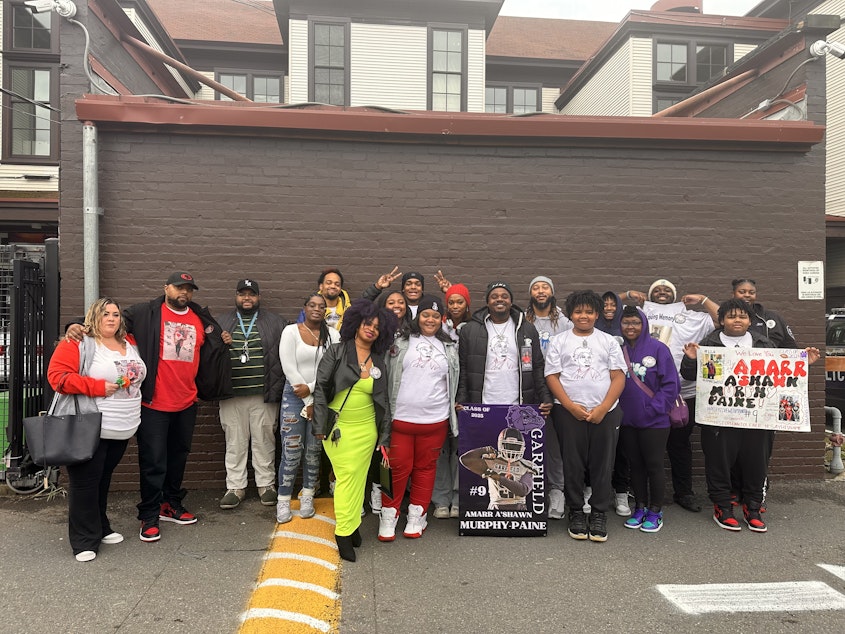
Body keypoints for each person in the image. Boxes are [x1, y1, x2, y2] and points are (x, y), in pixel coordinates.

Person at [680, 299, 820, 532]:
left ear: (749, 320)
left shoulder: (764, 343)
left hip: (758, 419)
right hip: (719, 419)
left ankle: (753, 508)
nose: (737, 320)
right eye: (732, 316)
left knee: (757, 464)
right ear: (722, 320)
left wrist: (804, 364)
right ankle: (723, 507)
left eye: (742, 316)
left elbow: (782, 378)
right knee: (719, 464)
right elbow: (689, 375)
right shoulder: (709, 343)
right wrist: (691, 359)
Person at [124, 272, 230, 542]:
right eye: (179, 287)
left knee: (178, 456)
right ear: (166, 288)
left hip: (186, 401)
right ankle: (148, 514)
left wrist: (221, 341)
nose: (184, 292)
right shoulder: (146, 312)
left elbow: (210, 348)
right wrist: (76, 326)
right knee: (153, 461)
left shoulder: (199, 317)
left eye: (189, 289)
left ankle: (169, 504)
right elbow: (108, 321)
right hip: (154, 402)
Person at [47, 298, 147, 562]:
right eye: (105, 314)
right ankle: (83, 541)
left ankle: (101, 527)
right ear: (93, 316)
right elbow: (57, 377)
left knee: (102, 480)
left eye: (115, 314)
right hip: (89, 425)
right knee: (84, 483)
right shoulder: (77, 342)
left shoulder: (129, 343)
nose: (111, 318)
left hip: (123, 426)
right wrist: (97, 387)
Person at [312, 298, 397, 562]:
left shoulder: (379, 361)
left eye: (376, 326)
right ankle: (343, 532)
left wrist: (384, 437)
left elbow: (383, 403)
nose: (371, 329)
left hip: (367, 431)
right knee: (348, 480)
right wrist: (318, 428)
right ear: (356, 324)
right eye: (367, 323)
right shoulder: (337, 351)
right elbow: (320, 389)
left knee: (358, 480)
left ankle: (354, 528)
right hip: (339, 430)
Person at [625, 278, 717, 513]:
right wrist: (627, 295)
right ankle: (640, 497)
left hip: (681, 394)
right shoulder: (639, 315)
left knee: (680, 447)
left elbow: (720, 319)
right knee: (641, 454)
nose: (662, 292)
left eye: (667, 289)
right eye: (657, 289)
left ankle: (683, 492)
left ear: (675, 296)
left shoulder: (689, 316)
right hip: (642, 399)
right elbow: (607, 307)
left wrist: (703, 300)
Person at [544, 290, 626, 543]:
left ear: (597, 314)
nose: (584, 316)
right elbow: (552, 376)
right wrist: (569, 406)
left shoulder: (608, 341)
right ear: (571, 314)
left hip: (606, 412)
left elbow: (619, 376)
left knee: (603, 464)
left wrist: (603, 408)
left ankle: (599, 512)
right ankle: (576, 511)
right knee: (573, 464)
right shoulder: (559, 341)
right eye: (578, 311)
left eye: (589, 312)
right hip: (568, 413)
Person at [379, 295, 458, 540]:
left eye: (435, 316)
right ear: (418, 317)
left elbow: (454, 381)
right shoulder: (401, 342)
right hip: (400, 419)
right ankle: (389, 514)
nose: (430, 320)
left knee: (425, 468)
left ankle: (417, 514)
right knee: (395, 468)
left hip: (435, 420)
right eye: (426, 315)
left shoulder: (449, 346)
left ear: (441, 319)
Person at [217, 279, 287, 509]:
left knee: (264, 439)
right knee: (234, 441)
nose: (247, 298)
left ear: (259, 297)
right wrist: (219, 343)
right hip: (231, 394)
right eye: (242, 294)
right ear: (236, 296)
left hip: (263, 393)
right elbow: (208, 353)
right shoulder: (221, 322)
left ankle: (266, 485)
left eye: (252, 294)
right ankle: (235, 487)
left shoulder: (275, 322)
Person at [277, 294, 339, 523]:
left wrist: (312, 392)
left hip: (321, 396)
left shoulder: (333, 335)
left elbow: (334, 369)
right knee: (292, 450)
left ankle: (308, 496)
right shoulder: (291, 331)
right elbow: (288, 367)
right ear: (304, 308)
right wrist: (306, 400)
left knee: (313, 451)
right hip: (294, 396)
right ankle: (283, 500)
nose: (317, 309)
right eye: (312, 305)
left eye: (321, 306)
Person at [617, 306, 680, 533]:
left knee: (653, 465)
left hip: (655, 421)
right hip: (627, 421)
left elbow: (671, 385)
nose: (630, 327)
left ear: (643, 324)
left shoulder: (658, 349)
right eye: (626, 323)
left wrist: (654, 409)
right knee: (636, 466)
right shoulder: (618, 349)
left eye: (635, 322)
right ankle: (640, 507)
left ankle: (656, 510)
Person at [456, 281, 552, 413]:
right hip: (483, 405)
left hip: (518, 406)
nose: (500, 299)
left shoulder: (526, 330)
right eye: (494, 296)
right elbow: (463, 369)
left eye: (505, 296)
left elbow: (537, 366)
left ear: (511, 302)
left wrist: (545, 397)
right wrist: (461, 399)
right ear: (487, 302)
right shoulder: (470, 330)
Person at [524, 275, 573, 521]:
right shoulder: (522, 321)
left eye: (545, 287)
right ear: (531, 293)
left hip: (558, 390)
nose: (541, 291)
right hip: (529, 389)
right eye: (536, 287)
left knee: (554, 444)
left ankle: (556, 490)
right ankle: (530, 490)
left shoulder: (564, 322)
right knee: (528, 441)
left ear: (552, 293)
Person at [432, 282, 471, 519]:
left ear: (467, 304)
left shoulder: (475, 327)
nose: (455, 306)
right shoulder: (438, 327)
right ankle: (440, 499)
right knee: (439, 450)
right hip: (438, 395)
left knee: (460, 449)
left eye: (460, 301)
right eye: (451, 302)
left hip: (461, 396)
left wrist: (464, 396)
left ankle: (458, 497)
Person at [596, 290, 630, 517]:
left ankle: (621, 493)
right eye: (604, 305)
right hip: (598, 399)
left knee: (622, 449)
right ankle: (593, 491)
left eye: (613, 304)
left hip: (625, 396)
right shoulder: (591, 331)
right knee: (596, 449)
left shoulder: (628, 329)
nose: (609, 308)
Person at [459, 427, 538, 510]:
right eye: (508, 445)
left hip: (518, 508)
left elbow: (523, 490)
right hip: (495, 508)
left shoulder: (526, 466)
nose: (511, 450)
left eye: (515, 446)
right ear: (500, 445)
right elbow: (465, 459)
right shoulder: (492, 461)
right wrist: (485, 449)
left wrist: (499, 478)